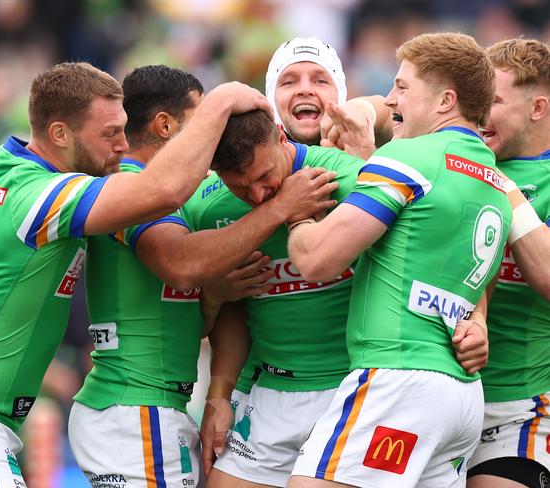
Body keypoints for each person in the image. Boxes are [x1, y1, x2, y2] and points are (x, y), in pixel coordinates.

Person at [0, 61, 270, 486]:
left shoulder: (3, 167)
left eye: (124, 129)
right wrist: (220, 103)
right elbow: (164, 192)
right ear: (59, 134)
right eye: (110, 133)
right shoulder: (38, 193)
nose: (122, 144)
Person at [198, 36, 488, 488]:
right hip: (271, 391)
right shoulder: (210, 201)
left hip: (361, 384)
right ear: (271, 102)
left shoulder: (371, 172)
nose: (256, 195)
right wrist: (215, 313)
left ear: (342, 97)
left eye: (320, 79)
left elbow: (449, 232)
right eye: (288, 81)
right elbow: (218, 302)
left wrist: (477, 314)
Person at [67, 65, 336, 487]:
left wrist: (213, 297)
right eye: (205, 121)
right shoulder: (129, 188)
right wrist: (281, 207)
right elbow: (182, 265)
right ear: (166, 125)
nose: (216, 144)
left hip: (152, 406)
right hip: (135, 408)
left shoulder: (160, 198)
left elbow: (184, 313)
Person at [286, 32, 511, 487]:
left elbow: (317, 261)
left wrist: (295, 216)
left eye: (403, 87)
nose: (390, 98)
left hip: (398, 376)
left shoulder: (408, 158)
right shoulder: (496, 181)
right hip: (460, 397)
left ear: (446, 100)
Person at [467, 38, 550, 488]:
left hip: (519, 406)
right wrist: (365, 113)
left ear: (537, 108)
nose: (478, 113)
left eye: (493, 100)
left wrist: (500, 187)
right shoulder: (459, 159)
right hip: (440, 400)